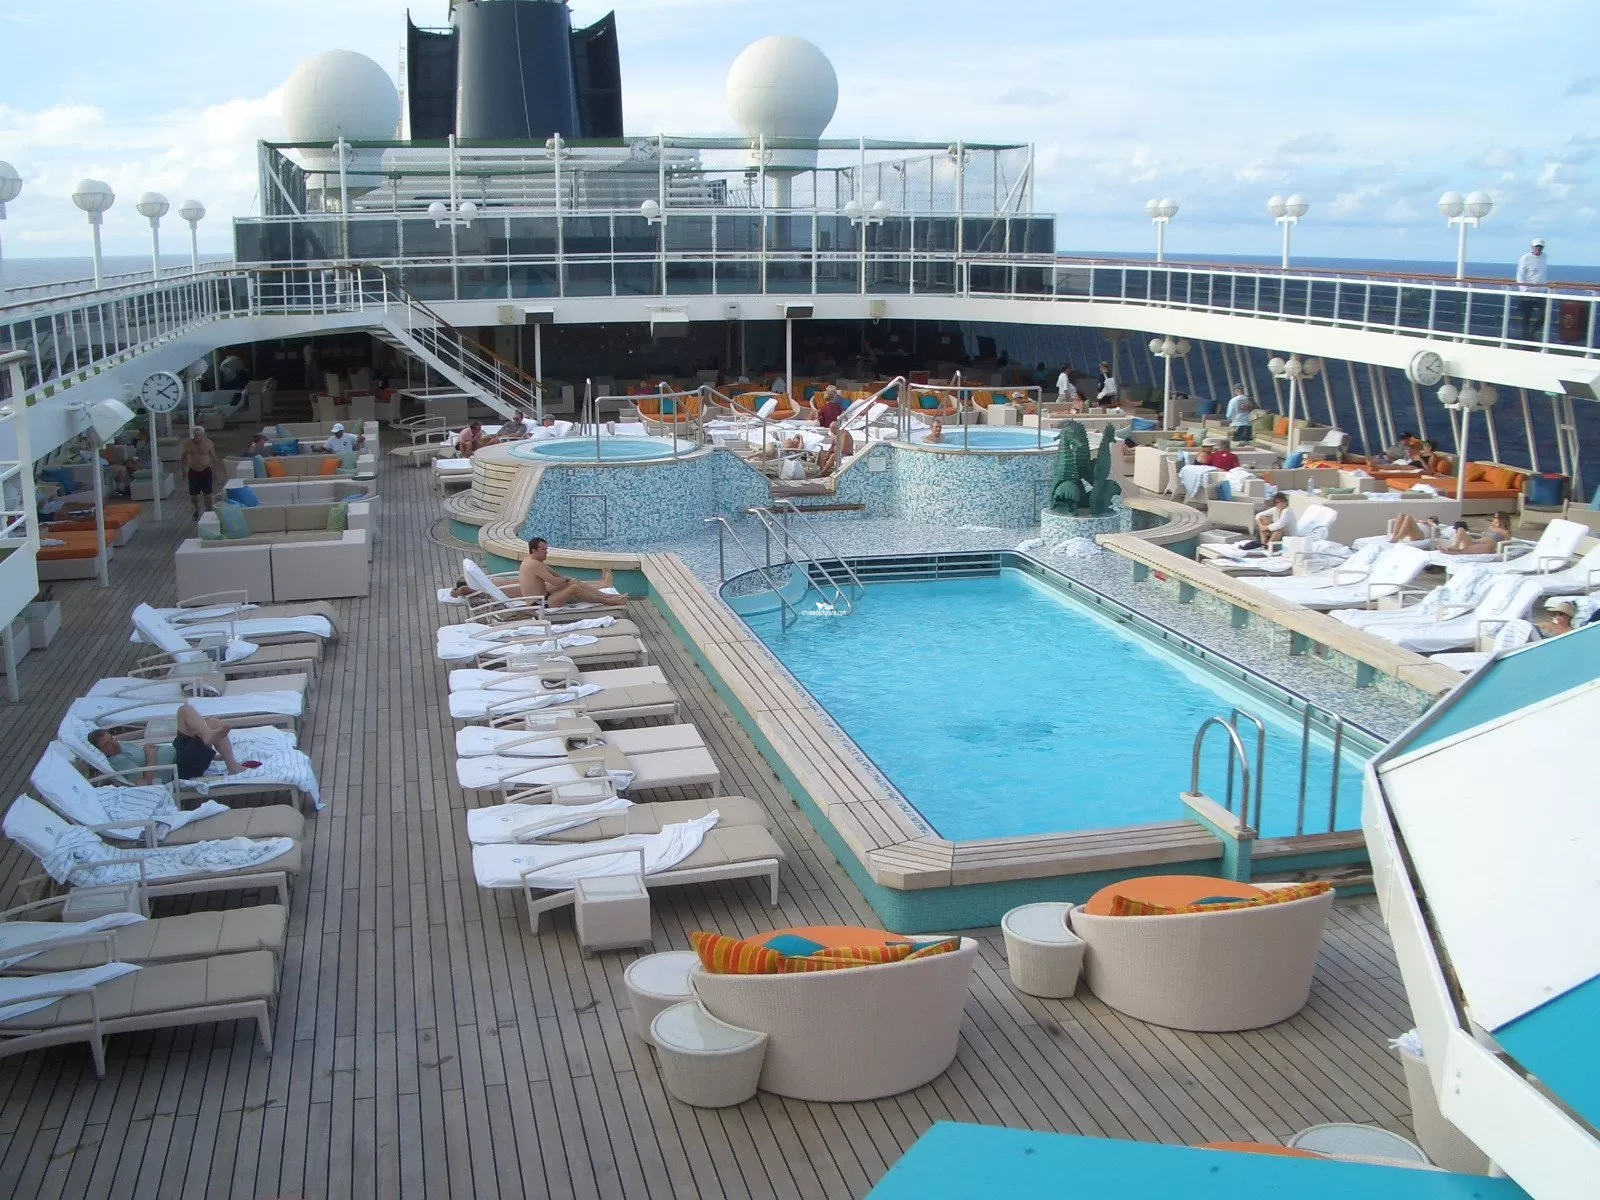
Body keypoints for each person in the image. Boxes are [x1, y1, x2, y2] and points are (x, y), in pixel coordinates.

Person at [91, 706, 262, 782]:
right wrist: (151, 756)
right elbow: (145, 784)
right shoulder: (118, 762)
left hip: (177, 750)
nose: (114, 743)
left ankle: (207, 736)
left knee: (184, 711)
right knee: (213, 724)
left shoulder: (120, 746)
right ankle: (232, 767)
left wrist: (153, 750)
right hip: (180, 767)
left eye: (112, 738)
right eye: (107, 744)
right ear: (101, 751)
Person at [515, 537, 627, 609]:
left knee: (574, 581)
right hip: (538, 604)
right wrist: (564, 579)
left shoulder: (534, 560)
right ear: (534, 551)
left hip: (544, 597)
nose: (547, 552)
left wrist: (566, 579)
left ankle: (609, 596)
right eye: (543, 550)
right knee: (574, 589)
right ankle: (608, 602)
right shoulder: (533, 564)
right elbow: (556, 582)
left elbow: (554, 573)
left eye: (546, 549)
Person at [178, 426, 219, 519]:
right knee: (193, 494)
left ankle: (208, 511)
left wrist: (215, 471)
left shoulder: (208, 443)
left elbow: (213, 457)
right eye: (196, 436)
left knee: (207, 493)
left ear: (203, 435)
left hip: (205, 470)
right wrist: (183, 471)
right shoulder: (188, 444)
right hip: (193, 471)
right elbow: (183, 457)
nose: (198, 438)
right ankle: (196, 509)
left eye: (200, 435)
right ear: (193, 435)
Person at [1516, 237, 1549, 339]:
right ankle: (1526, 338)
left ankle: (1532, 333)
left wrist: (1544, 288)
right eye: (1537, 246)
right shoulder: (1525, 258)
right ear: (1532, 247)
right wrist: (1524, 290)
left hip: (1540, 292)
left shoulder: (1544, 257)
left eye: (1540, 247)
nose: (1538, 248)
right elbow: (1520, 275)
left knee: (1545, 314)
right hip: (1527, 293)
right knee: (1526, 316)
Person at [1440, 514, 1512, 555]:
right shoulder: (1491, 528)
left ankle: (1456, 552)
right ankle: (1456, 545)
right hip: (1475, 542)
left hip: (1489, 547)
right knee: (1461, 528)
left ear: (1502, 520)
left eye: (1496, 517)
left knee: (1487, 547)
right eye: (1494, 518)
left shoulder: (1506, 532)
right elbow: (1486, 531)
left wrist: (1499, 547)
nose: (1493, 519)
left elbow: (1506, 544)